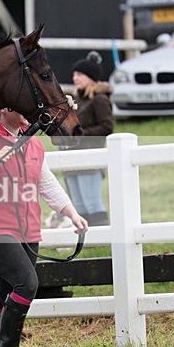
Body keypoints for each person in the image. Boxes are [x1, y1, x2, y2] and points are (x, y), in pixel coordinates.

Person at [0, 108, 88, 347]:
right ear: (5, 109)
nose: (30, 112)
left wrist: (72, 213)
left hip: (28, 229)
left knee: (9, 291)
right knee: (27, 283)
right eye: (23, 107)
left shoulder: (33, 144)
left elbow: (46, 183)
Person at [63, 51, 114, 227]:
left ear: (90, 77)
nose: (74, 77)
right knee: (78, 204)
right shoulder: (76, 100)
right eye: (74, 74)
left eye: (79, 74)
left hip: (89, 155)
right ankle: (87, 240)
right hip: (71, 156)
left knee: (92, 202)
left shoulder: (99, 99)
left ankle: (102, 236)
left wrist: (79, 134)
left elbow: (107, 126)